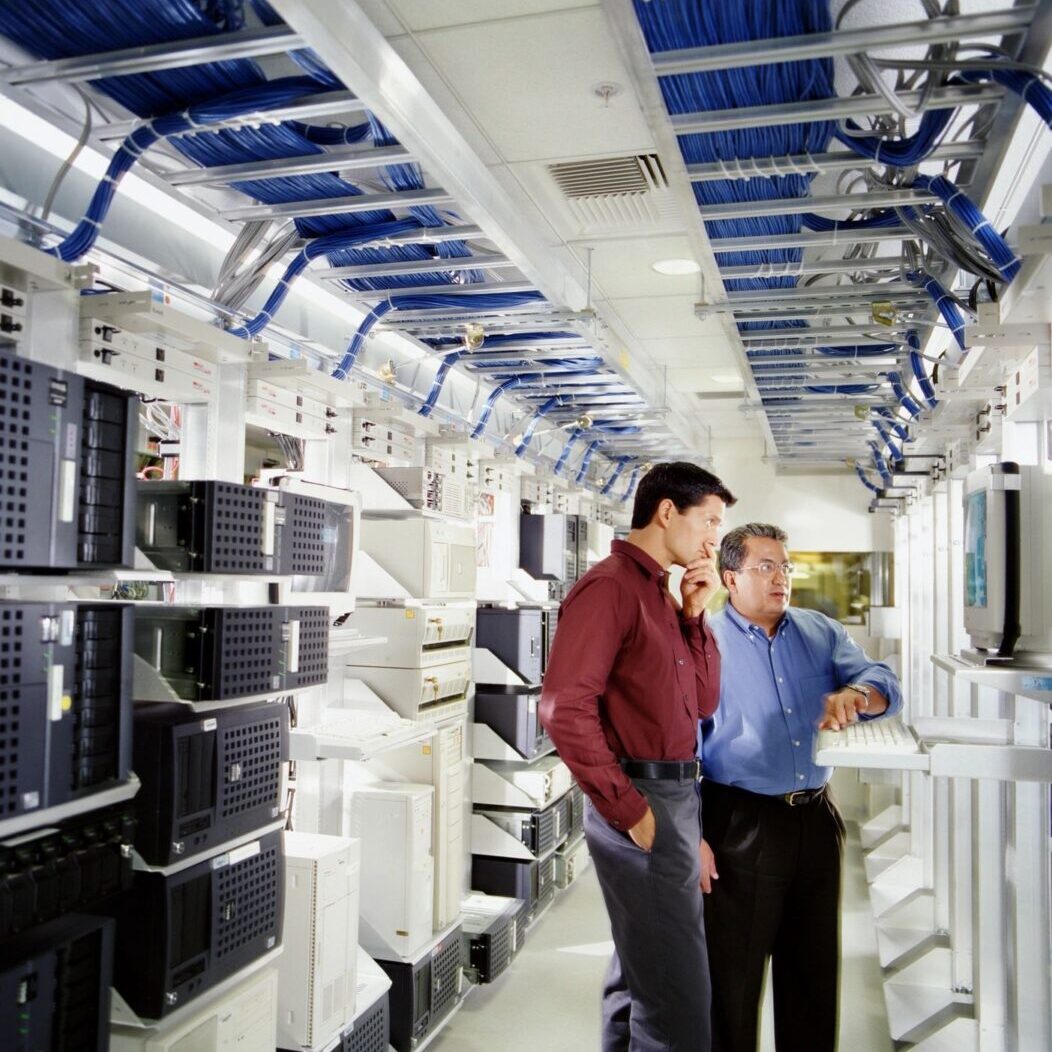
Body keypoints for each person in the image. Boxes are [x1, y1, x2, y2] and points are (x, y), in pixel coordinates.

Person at [540, 461, 736, 1052]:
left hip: (674, 797)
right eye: (709, 520)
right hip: (643, 799)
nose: (712, 539)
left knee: (640, 974)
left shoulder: (661, 594)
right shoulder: (611, 588)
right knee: (677, 999)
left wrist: (695, 616)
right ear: (667, 511)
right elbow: (563, 709)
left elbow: (703, 702)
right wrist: (631, 811)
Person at [699, 523, 902, 1052]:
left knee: (813, 975)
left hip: (815, 821)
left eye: (785, 567)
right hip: (737, 823)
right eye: (765, 567)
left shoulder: (821, 631)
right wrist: (688, 836)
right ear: (731, 577)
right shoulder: (702, 642)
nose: (780, 578)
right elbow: (677, 750)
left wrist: (857, 695)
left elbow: (885, 683)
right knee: (732, 982)